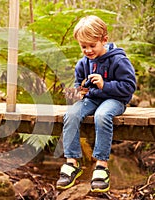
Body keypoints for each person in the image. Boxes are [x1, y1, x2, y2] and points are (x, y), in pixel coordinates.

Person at [56, 15, 136, 193]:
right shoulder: (82, 64)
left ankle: (101, 166)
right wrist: (78, 91)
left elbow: (130, 86)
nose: (88, 50)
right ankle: (72, 162)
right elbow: (80, 87)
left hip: (115, 99)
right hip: (92, 99)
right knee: (71, 114)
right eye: (83, 46)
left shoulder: (118, 60)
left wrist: (104, 85)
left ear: (104, 40)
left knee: (102, 115)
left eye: (92, 46)